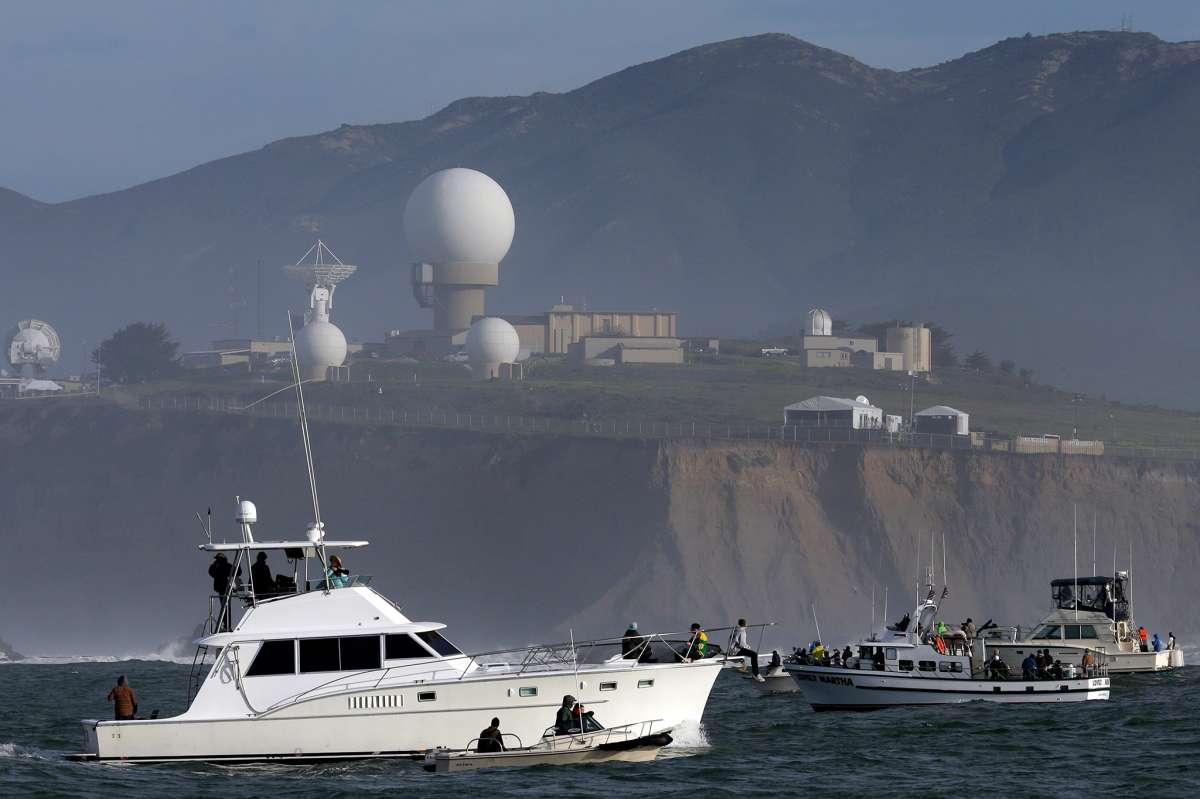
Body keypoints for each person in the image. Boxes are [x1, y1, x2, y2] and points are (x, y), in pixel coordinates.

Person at [208, 553, 239, 632]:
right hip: (228, 589)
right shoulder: (228, 565)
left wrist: (214, 565)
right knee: (226, 608)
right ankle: (227, 625)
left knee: (225, 608)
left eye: (217, 559)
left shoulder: (218, 567)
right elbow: (239, 572)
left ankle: (226, 625)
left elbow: (211, 572)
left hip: (223, 589)